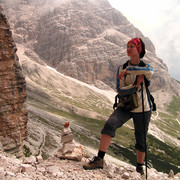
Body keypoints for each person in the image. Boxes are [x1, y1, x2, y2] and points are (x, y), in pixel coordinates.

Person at [83, 38, 154, 175]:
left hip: (143, 108)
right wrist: (135, 86)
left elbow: (149, 71)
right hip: (126, 105)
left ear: (138, 50)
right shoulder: (121, 68)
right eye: (127, 46)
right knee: (110, 124)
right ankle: (99, 159)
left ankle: (139, 167)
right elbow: (120, 90)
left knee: (141, 137)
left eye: (132, 46)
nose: (128, 48)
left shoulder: (145, 68)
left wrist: (128, 72)